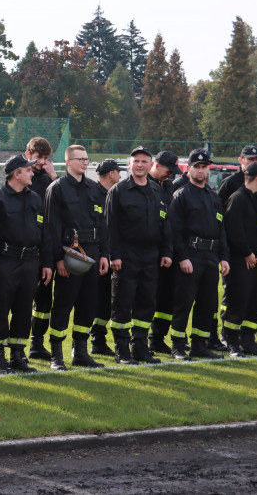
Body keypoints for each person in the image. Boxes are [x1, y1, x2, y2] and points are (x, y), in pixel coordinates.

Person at [43, 145, 109, 371]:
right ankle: (56, 355)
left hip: (92, 252)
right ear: (68, 162)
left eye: (86, 159)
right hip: (69, 253)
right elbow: (52, 227)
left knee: (88, 304)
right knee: (63, 304)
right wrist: (58, 259)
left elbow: (102, 223)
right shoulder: (57, 188)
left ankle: (80, 352)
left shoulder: (94, 188)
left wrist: (104, 254)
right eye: (80, 159)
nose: (84, 163)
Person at [106, 146, 173, 365]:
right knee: (123, 304)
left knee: (146, 303)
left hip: (151, 256)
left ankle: (140, 349)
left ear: (151, 165)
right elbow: (110, 226)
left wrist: (166, 252)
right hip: (126, 256)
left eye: (144, 161)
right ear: (129, 164)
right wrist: (114, 255)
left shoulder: (156, 191)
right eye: (136, 161)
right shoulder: (118, 191)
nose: (140, 164)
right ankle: (122, 350)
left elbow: (165, 223)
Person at [0, 155, 49, 373]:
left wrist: (44, 262)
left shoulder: (35, 199)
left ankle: (18, 356)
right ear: (16, 174)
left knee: (23, 311)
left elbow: (43, 232)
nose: (33, 173)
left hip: (30, 262)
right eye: (28, 170)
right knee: (0, 311)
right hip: (6, 262)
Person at [167, 149, 230, 361]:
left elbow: (221, 229)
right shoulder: (182, 195)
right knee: (184, 302)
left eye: (204, 167)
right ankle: (177, 345)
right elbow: (174, 229)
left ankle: (199, 346)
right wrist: (182, 256)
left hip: (211, 257)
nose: (201, 170)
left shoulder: (213, 198)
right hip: (191, 256)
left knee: (207, 303)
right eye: (197, 167)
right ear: (189, 168)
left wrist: (224, 257)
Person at [222, 161, 257, 358]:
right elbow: (233, 230)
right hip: (240, 260)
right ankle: (232, 341)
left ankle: (248, 340)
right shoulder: (237, 198)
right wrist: (246, 252)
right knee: (238, 300)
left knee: (256, 301)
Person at [26, 136, 59, 361]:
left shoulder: (50, 180)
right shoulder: (20, 176)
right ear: (28, 155)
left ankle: (37, 342)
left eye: (46, 158)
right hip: (25, 249)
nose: (42, 162)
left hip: (46, 248)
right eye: (38, 157)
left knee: (45, 300)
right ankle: (11, 346)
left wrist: (54, 176)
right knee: (20, 298)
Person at [148, 151, 182, 357]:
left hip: (169, 253)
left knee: (167, 298)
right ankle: (143, 341)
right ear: (157, 165)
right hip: (150, 252)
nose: (170, 175)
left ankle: (158, 338)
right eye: (168, 170)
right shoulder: (147, 187)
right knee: (148, 298)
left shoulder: (169, 187)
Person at [90, 159, 122, 357]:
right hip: (100, 255)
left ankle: (99, 341)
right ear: (111, 174)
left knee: (106, 302)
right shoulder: (94, 194)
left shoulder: (114, 194)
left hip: (110, 254)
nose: (120, 176)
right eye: (119, 172)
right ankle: (95, 340)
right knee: (97, 299)